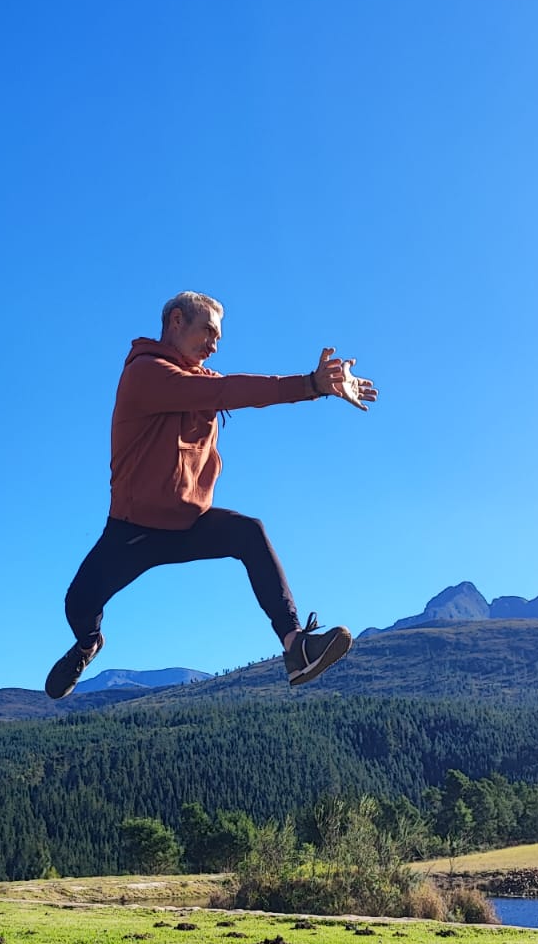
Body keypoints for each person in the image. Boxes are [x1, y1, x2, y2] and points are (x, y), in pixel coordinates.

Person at [46, 291, 378, 700]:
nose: (214, 344)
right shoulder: (146, 373)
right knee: (78, 604)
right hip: (135, 529)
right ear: (176, 321)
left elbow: (229, 391)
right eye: (208, 331)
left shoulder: (199, 381)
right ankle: (87, 645)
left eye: (218, 337)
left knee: (249, 532)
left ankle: (296, 646)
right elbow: (226, 392)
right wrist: (310, 384)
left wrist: (319, 387)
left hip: (188, 523)